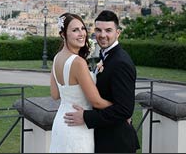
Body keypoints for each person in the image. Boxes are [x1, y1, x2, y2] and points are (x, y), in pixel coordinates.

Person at [63, 10, 140, 153]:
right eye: (98, 30)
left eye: (108, 30)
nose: (102, 35)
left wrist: (86, 117)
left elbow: (125, 110)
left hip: (116, 143)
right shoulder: (107, 56)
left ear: (118, 33)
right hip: (106, 139)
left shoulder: (121, 62)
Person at [49, 13, 113, 153]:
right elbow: (96, 102)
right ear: (63, 34)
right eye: (75, 30)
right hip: (78, 125)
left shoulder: (57, 58)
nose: (81, 33)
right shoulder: (78, 62)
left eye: (82, 28)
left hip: (61, 123)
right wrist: (121, 110)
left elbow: (55, 94)